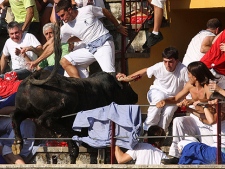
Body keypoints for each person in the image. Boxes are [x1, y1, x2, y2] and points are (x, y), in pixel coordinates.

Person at [117, 47, 188, 133]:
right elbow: (144, 72)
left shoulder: (183, 70)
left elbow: (190, 85)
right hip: (156, 92)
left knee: (168, 113)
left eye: (170, 62)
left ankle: (160, 135)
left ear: (177, 61)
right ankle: (148, 130)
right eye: (165, 61)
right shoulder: (159, 66)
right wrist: (127, 78)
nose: (167, 65)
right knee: (159, 98)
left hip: (173, 98)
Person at [157, 61, 217, 164]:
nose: (188, 76)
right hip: (195, 117)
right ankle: (176, 155)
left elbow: (212, 100)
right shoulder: (189, 85)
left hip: (208, 122)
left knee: (211, 157)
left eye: (189, 73)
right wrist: (165, 101)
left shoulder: (210, 85)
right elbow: (176, 98)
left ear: (195, 76)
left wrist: (192, 101)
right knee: (178, 121)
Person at [55, 0, 128, 78]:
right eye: (59, 16)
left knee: (110, 76)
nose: (61, 19)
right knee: (65, 61)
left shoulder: (87, 10)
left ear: (69, 10)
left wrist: (118, 26)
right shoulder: (65, 27)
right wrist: (39, 60)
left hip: (104, 44)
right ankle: (81, 86)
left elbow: (105, 11)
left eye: (62, 15)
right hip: (90, 48)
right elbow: (53, 44)